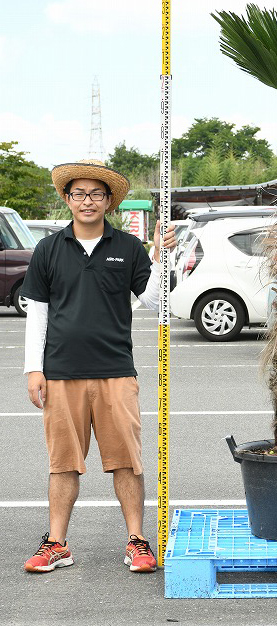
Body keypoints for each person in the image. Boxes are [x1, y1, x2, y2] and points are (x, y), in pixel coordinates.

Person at [21, 159, 176, 574]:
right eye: (78, 194)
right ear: (67, 199)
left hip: (115, 371)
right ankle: (57, 544)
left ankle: (137, 541)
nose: (86, 201)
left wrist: (160, 256)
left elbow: (157, 303)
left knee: (127, 460)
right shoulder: (48, 249)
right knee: (63, 463)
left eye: (95, 194)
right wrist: (33, 369)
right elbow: (38, 312)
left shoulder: (127, 248)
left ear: (109, 201)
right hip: (60, 374)